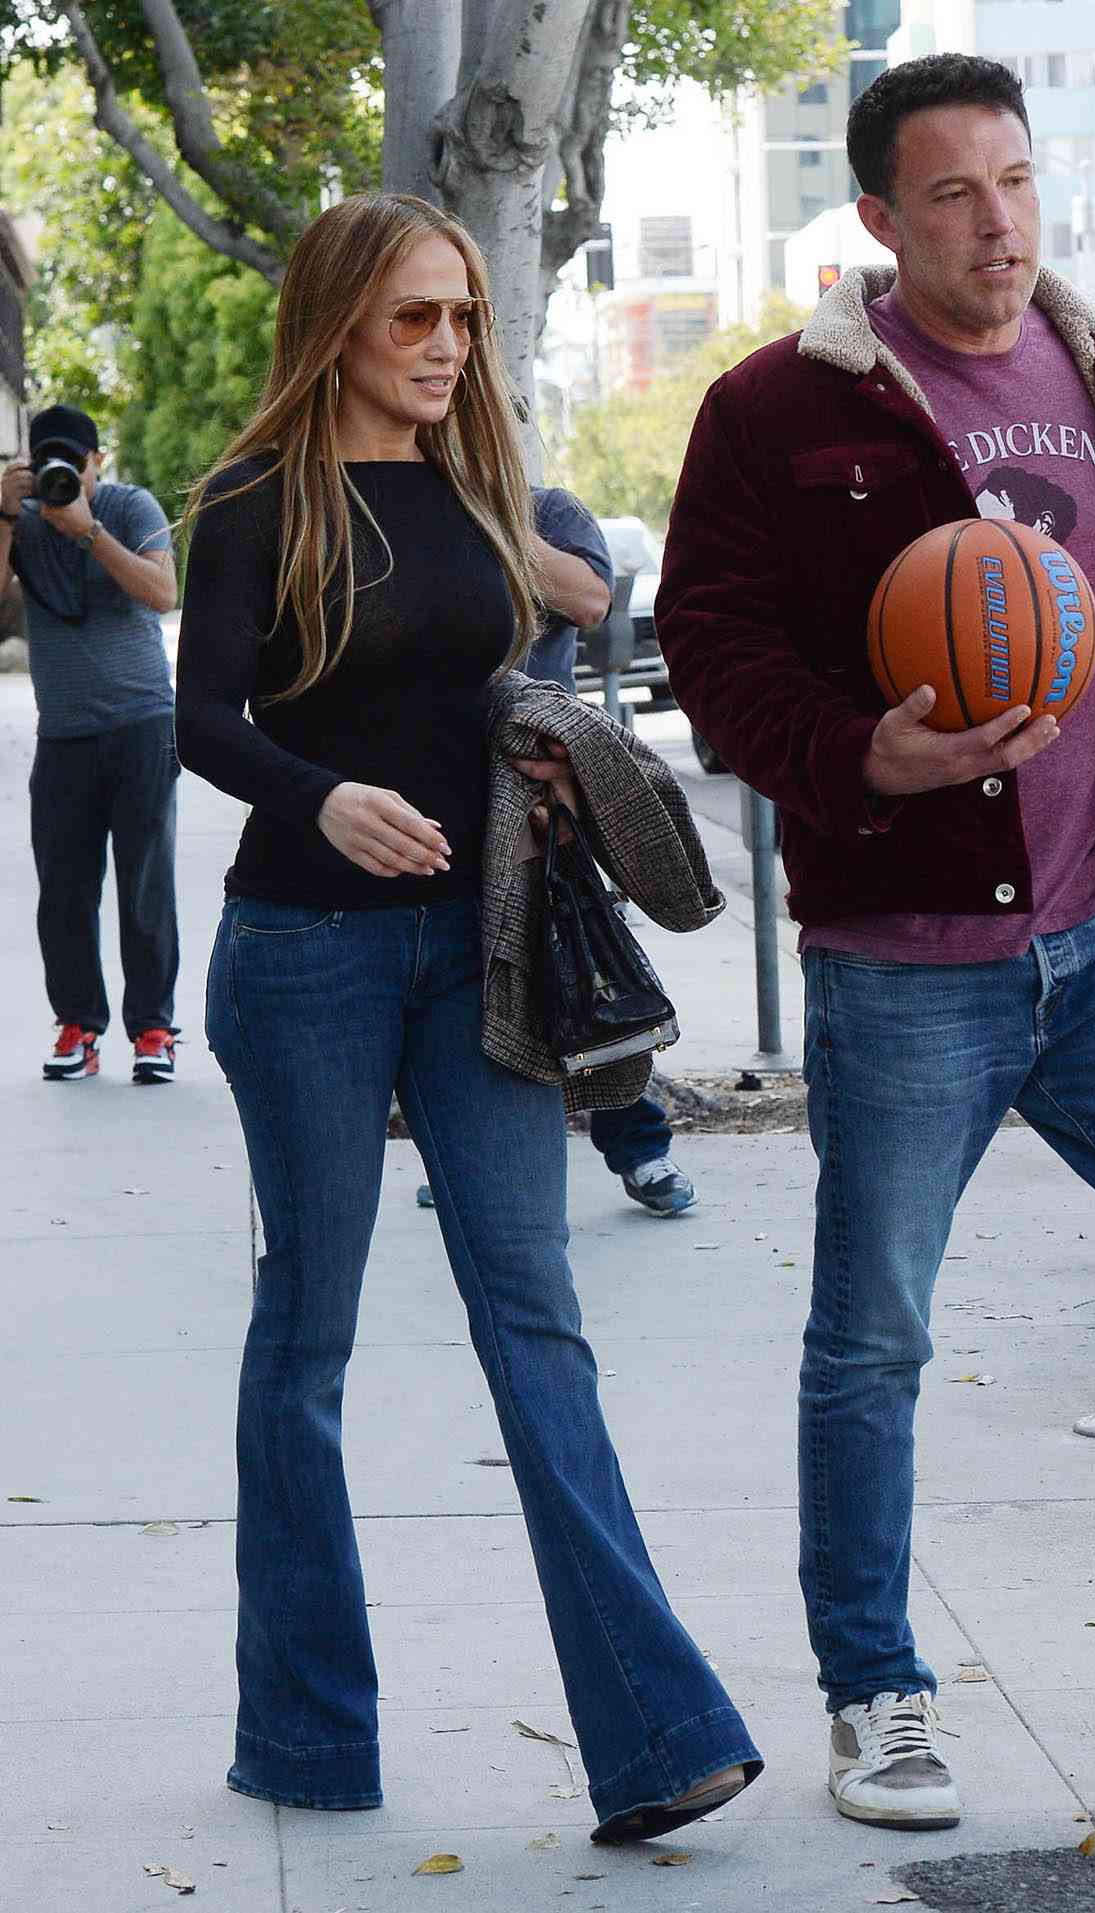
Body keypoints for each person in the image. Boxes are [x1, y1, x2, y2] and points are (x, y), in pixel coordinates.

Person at [657, 53, 1095, 1831]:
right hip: (905, 953)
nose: (997, 220)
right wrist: (854, 754)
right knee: (874, 1338)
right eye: (955, 192)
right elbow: (716, 654)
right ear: (880, 218)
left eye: (1019, 181)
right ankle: (878, 1691)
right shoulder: (775, 411)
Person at [173, 192, 758, 1837]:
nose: (445, 348)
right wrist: (320, 797)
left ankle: (655, 1739)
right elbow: (199, 719)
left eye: (464, 318)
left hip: (483, 952)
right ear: (339, 320)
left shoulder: (475, 489)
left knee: (539, 1316)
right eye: (414, 317)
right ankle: (303, 1731)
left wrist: (543, 751)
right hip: (305, 955)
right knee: (311, 1327)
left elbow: (474, 680)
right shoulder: (251, 497)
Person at [416, 486, 697, 1218]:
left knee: (589, 972)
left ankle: (642, 1149)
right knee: (462, 986)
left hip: (543, 793)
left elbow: (590, 601)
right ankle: (461, 1148)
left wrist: (488, 515)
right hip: (439, 788)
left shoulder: (549, 512)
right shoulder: (407, 505)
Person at [1, 403, 180, 1083]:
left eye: (72, 463)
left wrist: (89, 530)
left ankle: (154, 1030)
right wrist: (2, 518)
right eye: (48, 461)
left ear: (95, 462)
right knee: (64, 891)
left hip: (141, 725)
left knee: (145, 887)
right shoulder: (21, 522)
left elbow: (163, 590)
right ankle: (78, 1025)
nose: (61, 475)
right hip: (64, 734)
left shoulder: (131, 506)